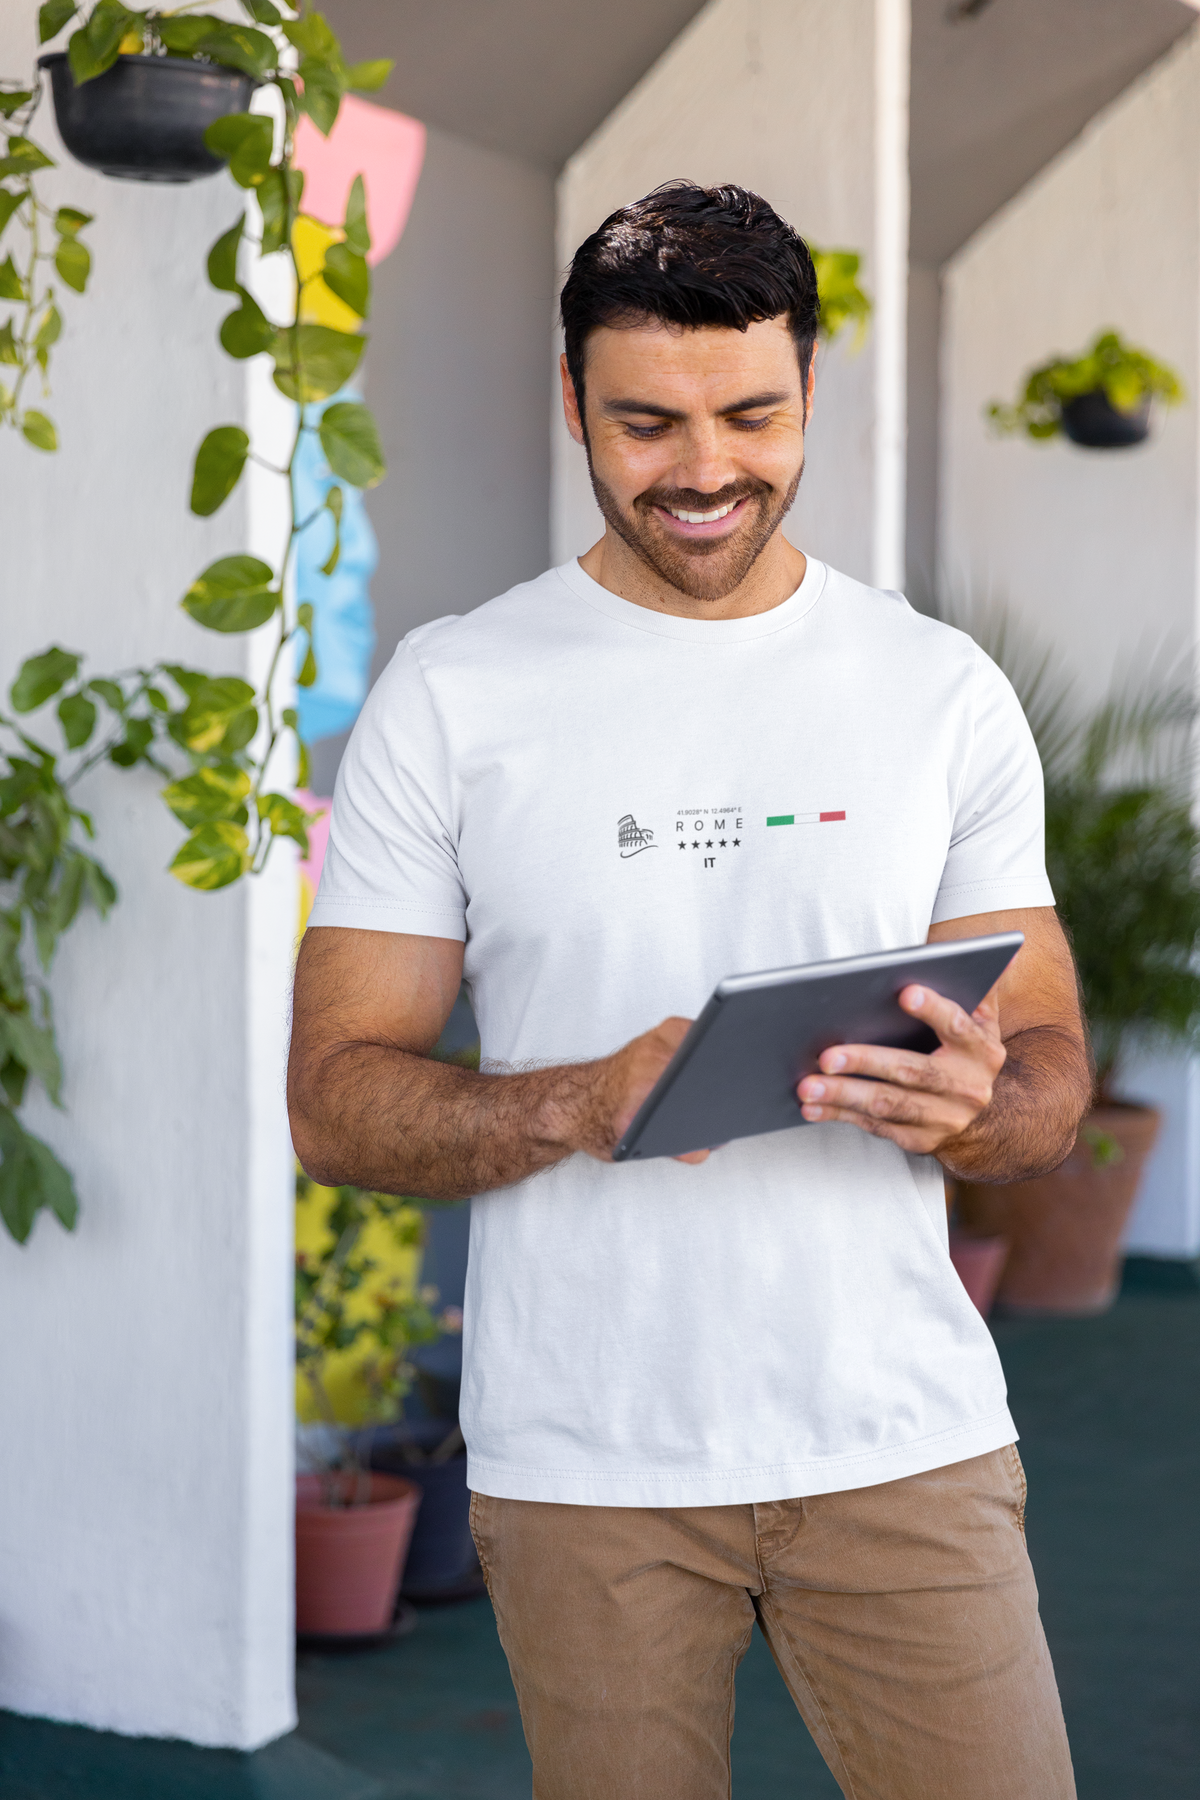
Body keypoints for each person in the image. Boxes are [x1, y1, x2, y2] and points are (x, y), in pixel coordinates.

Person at [288, 182, 1090, 1799]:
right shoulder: (453, 694)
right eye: (648, 421)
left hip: (902, 1440)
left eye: (753, 414)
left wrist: (981, 1106)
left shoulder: (939, 693)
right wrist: (578, 1101)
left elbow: (1053, 1074)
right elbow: (336, 1100)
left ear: (810, 395)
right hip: (587, 1466)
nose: (708, 469)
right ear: (571, 401)